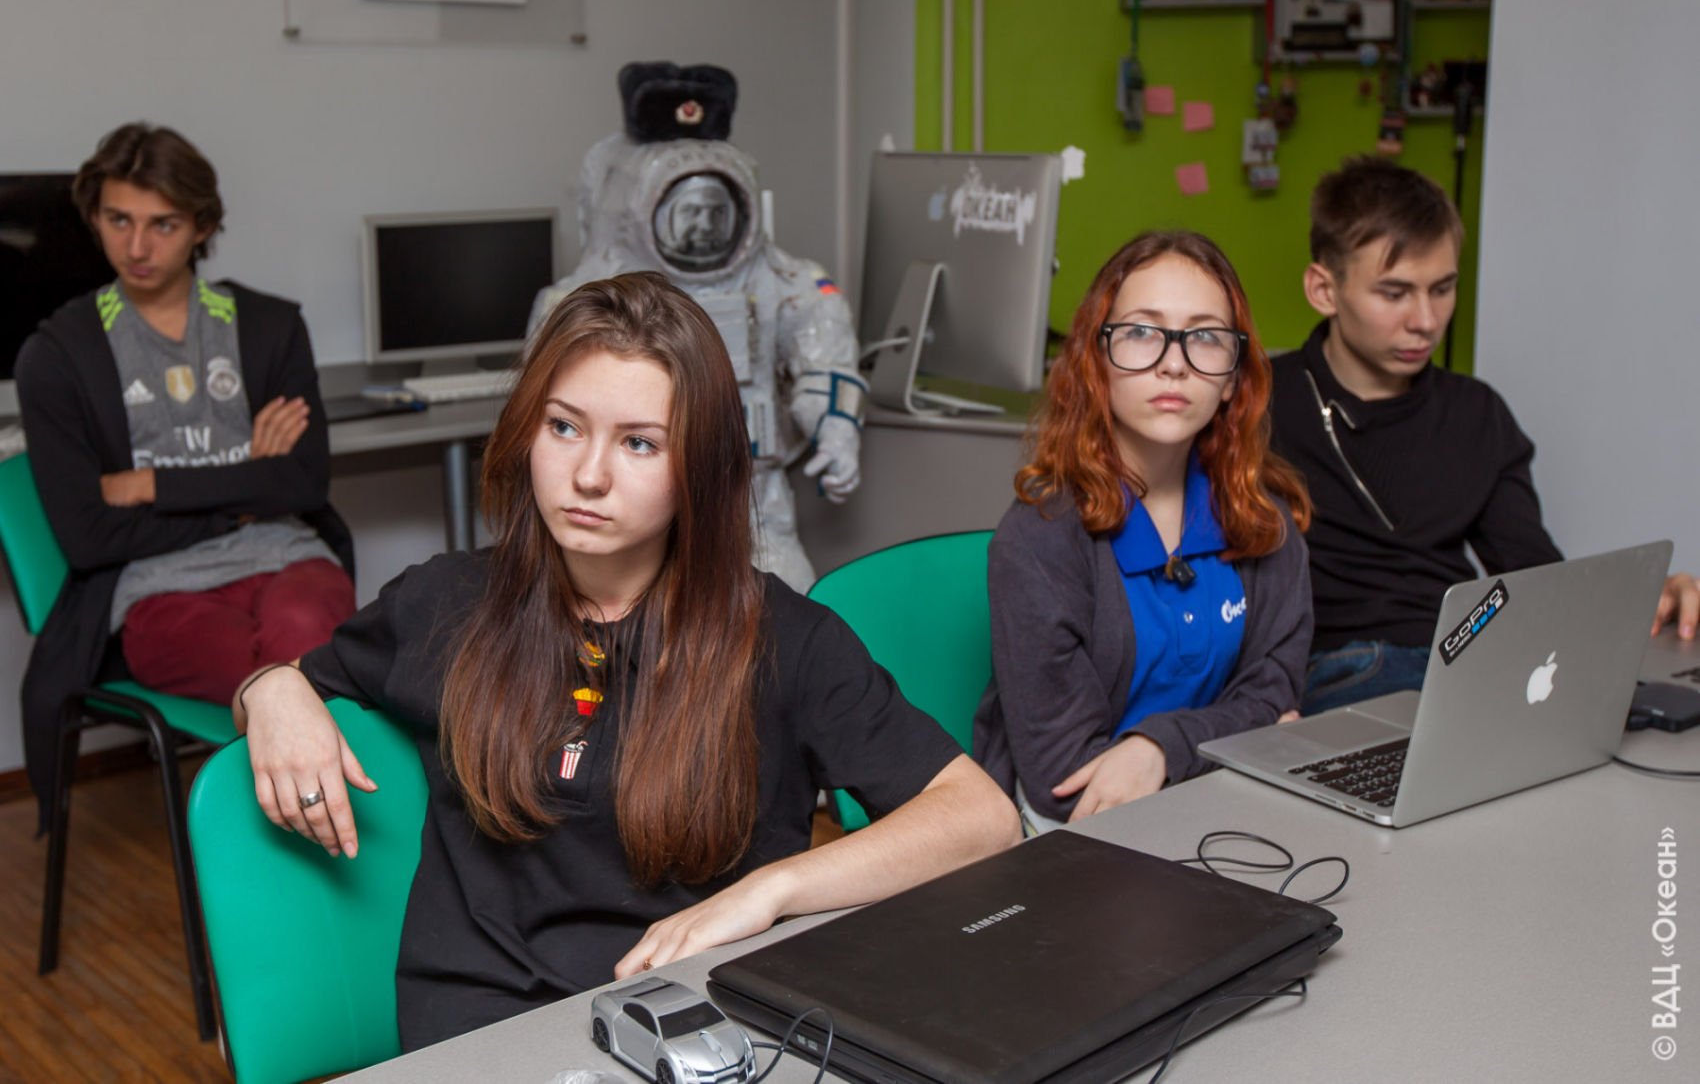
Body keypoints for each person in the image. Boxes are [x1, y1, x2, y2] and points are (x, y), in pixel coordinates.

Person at [236, 272, 1019, 1051]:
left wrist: (771, 890)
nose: (588, 475)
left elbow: (981, 815)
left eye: (639, 442)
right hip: (483, 1038)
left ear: (700, 468)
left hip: (702, 1022)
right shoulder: (443, 602)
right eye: (564, 426)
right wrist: (270, 688)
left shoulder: (782, 637)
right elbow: (296, 683)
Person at [1270, 157, 1698, 715]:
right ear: (1324, 290)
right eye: (1395, 293)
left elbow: (1536, 581)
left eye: (1443, 289)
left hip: (1466, 653)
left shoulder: (1477, 412)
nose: (1426, 321)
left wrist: (1641, 602)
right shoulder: (1257, 404)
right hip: (1333, 670)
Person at [14, 122, 353, 820]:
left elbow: (301, 484)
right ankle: (311, 856)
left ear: (201, 225)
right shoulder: (56, 355)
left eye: (162, 224)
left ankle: (296, 851)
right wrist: (244, 487)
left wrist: (153, 486)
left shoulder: (267, 326)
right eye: (119, 220)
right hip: (158, 593)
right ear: (95, 219)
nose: (137, 247)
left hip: (289, 558)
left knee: (304, 636)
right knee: (295, 684)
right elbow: (89, 538)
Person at [973, 231, 1314, 833]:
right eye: (1140, 332)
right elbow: (1066, 783)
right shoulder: (1039, 539)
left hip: (1225, 814)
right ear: (1096, 363)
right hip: (1070, 837)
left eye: (1205, 336)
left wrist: (1158, 749)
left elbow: (1277, 698)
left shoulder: (1265, 521)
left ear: (1232, 378)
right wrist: (1243, 735)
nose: (1174, 363)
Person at [529, 62, 867, 593]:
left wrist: (836, 427)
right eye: (690, 213)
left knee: (783, 610)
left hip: (751, 497)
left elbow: (824, 353)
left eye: (715, 212)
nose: (705, 227)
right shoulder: (588, 298)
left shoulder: (778, 280)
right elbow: (545, 421)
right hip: (628, 504)